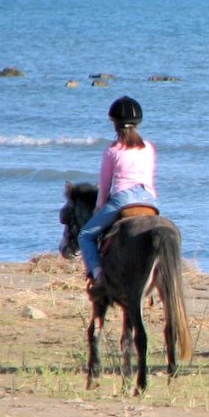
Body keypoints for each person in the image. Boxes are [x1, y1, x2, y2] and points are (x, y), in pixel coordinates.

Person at [78, 96, 159, 291]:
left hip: (123, 199)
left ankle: (97, 275)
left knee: (85, 236)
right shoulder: (148, 147)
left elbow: (105, 186)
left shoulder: (112, 151)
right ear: (138, 124)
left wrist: (99, 207)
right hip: (149, 199)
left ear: (114, 124)